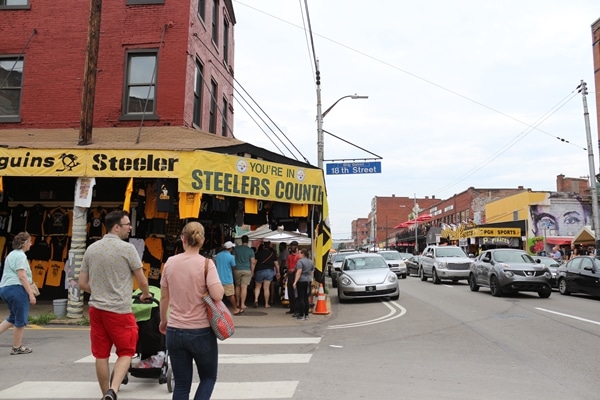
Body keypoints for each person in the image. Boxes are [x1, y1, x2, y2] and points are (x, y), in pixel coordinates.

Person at [78, 210, 152, 400]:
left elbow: (82, 283)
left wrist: (100, 293)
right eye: (127, 224)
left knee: (101, 354)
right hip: (119, 310)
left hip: (96, 309)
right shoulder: (127, 249)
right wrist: (145, 295)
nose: (130, 228)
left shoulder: (91, 249)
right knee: (126, 351)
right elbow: (142, 280)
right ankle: (114, 390)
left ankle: (105, 395)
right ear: (116, 227)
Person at [159, 221, 224, 400]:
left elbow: (164, 297)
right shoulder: (206, 264)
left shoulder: (170, 263)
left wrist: (163, 320)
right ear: (202, 240)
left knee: (181, 384)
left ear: (182, 239)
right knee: (208, 377)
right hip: (201, 331)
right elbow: (217, 295)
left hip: (174, 329)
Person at [0, 232, 36, 355]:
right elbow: (22, 276)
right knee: (20, 319)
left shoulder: (11, 254)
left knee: (13, 317)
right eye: (30, 241)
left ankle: (17, 346)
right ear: (25, 243)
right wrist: (30, 294)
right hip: (17, 289)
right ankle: (17, 347)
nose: (31, 244)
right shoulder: (21, 256)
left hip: (5, 288)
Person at [215, 241, 241, 315]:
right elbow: (233, 267)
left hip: (218, 279)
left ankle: (217, 310)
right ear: (231, 248)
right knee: (231, 295)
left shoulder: (218, 255)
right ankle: (236, 309)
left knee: (218, 296)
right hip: (228, 279)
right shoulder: (231, 257)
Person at [252, 241, 279, 308]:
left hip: (259, 271)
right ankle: (266, 304)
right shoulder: (272, 254)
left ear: (263, 246)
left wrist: (252, 271)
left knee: (258, 287)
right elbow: (276, 264)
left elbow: (254, 263)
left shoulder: (258, 253)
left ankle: (256, 300)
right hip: (269, 271)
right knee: (266, 288)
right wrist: (278, 272)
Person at [233, 235, 255, 311]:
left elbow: (233, 259)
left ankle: (238, 303)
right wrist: (252, 271)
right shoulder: (250, 250)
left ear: (241, 240)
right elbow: (252, 262)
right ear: (248, 241)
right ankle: (243, 304)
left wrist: (233, 269)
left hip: (237, 269)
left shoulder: (236, 249)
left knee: (237, 286)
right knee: (244, 287)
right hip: (247, 270)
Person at [293, 249, 314, 320]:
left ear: (303, 254)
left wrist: (295, 282)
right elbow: (311, 272)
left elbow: (299, 272)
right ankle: (306, 314)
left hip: (301, 280)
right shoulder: (311, 262)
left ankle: (301, 314)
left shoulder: (300, 262)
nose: (298, 254)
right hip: (308, 280)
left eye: (299, 253)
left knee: (301, 298)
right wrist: (311, 279)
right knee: (306, 298)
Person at [285, 241, 300, 315]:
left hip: (296, 275)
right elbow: (287, 265)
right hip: (290, 275)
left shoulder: (299, 256)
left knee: (296, 293)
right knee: (290, 292)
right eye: (292, 246)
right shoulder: (289, 256)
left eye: (294, 246)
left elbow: (300, 266)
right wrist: (288, 272)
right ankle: (292, 308)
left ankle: (296, 309)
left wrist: (294, 269)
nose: (293, 247)